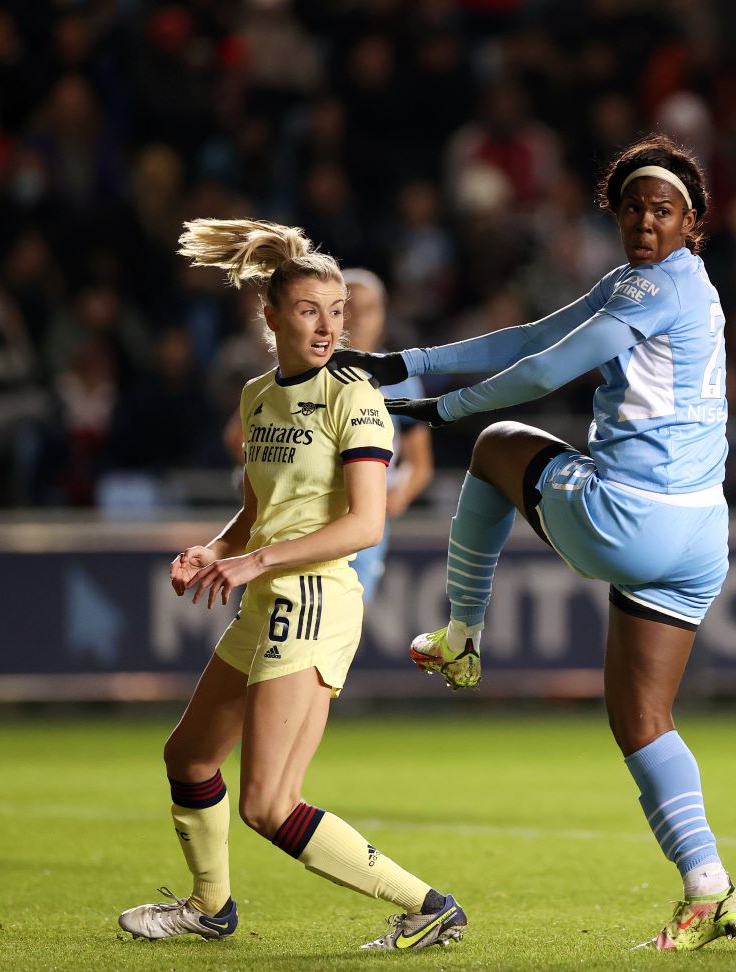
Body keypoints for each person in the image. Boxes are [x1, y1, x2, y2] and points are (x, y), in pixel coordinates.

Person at [337, 135, 736, 952]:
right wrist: (405, 363)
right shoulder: (667, 284)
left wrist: (436, 410)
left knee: (495, 445)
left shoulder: (651, 292)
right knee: (641, 717)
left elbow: (544, 371)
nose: (644, 218)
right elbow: (527, 336)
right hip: (702, 530)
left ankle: (460, 637)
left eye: (662, 209)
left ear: (691, 222)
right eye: (632, 205)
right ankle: (710, 889)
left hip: (631, 515)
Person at [117, 219, 467, 951]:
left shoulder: (356, 397)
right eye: (310, 310)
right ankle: (210, 907)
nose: (327, 326)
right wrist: (213, 550)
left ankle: (427, 905)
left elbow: (367, 524)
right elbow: (256, 514)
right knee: (188, 757)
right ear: (271, 317)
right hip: (268, 596)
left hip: (312, 599)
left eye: (336, 311)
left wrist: (254, 563)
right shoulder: (257, 396)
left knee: (269, 804)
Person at [340, 267, 434, 600]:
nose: (358, 319)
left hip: (366, 525)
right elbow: (241, 436)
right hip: (309, 517)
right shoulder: (305, 367)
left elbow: (420, 462)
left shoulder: (401, 379)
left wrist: (400, 493)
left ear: (383, 314)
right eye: (347, 308)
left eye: (369, 309)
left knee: (343, 629)